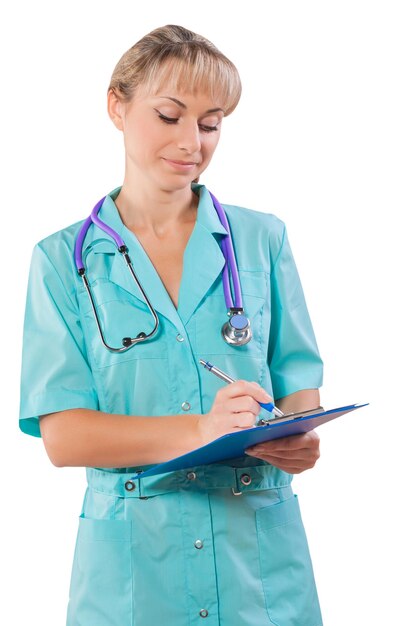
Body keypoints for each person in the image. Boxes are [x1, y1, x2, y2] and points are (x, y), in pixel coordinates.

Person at [19, 24, 324, 626]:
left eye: (210, 124)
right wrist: (204, 428)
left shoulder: (262, 241)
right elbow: (65, 437)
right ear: (117, 106)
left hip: (256, 567)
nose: (192, 142)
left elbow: (300, 395)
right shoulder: (62, 261)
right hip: (133, 573)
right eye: (169, 115)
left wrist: (298, 441)